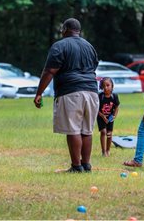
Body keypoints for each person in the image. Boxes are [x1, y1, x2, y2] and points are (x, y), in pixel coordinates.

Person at [34, 18, 99, 173]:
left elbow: (50, 71)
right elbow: (94, 66)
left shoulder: (60, 45)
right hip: (92, 91)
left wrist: (39, 93)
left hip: (71, 92)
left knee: (73, 130)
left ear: (65, 29)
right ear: (79, 31)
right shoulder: (89, 46)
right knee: (86, 130)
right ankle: (86, 165)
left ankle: (76, 166)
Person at [97, 77, 119, 157]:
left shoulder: (114, 96)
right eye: (104, 86)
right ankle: (103, 151)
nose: (106, 87)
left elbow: (116, 107)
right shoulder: (100, 96)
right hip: (101, 117)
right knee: (103, 132)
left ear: (112, 86)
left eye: (108, 85)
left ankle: (108, 150)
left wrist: (114, 116)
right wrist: (103, 116)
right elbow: (96, 108)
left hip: (110, 118)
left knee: (109, 133)